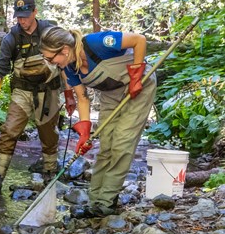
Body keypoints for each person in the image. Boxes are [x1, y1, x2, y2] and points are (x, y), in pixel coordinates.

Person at [39, 26, 155, 218]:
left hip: (139, 88)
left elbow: (139, 40)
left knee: (121, 143)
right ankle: (95, 201)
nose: (50, 63)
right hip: (110, 94)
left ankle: (107, 202)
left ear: (64, 50)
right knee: (106, 146)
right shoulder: (69, 67)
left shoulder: (97, 42)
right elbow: (82, 98)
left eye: (51, 58)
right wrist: (85, 132)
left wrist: (136, 76)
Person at [0, 0, 70, 193]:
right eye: (19, 16)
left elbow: (65, 62)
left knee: (48, 134)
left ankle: (49, 173)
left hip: (49, 90)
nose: (22, 20)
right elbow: (0, 67)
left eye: (26, 16)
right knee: (9, 130)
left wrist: (70, 94)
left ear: (35, 12)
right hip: (22, 91)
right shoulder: (11, 38)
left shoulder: (50, 31)